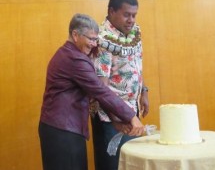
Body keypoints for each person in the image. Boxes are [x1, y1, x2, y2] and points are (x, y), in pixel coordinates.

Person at [38, 13, 145, 170]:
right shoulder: (75, 60)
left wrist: (117, 121)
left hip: (61, 128)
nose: (95, 44)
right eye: (91, 39)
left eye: (96, 40)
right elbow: (101, 91)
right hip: (63, 132)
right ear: (75, 35)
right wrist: (131, 116)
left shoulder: (68, 54)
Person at [90, 0, 149, 170]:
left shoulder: (133, 32)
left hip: (131, 111)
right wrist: (116, 119)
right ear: (111, 11)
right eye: (126, 15)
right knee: (113, 165)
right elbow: (101, 88)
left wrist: (144, 91)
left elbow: (137, 65)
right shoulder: (102, 40)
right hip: (110, 117)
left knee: (131, 164)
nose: (131, 20)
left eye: (134, 15)